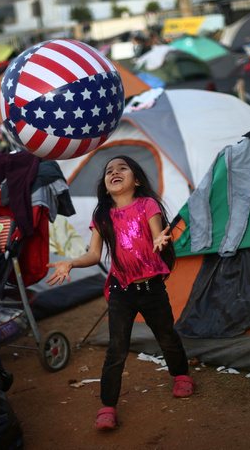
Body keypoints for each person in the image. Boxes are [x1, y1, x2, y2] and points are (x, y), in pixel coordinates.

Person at [46, 155, 195, 431]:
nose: (114, 172)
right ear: (105, 185)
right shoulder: (102, 215)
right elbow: (93, 254)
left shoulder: (146, 204)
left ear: (136, 180)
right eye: (109, 171)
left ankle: (181, 375)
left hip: (152, 289)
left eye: (122, 168)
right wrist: (71, 262)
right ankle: (108, 406)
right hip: (121, 289)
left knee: (166, 336)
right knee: (116, 348)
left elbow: (155, 237)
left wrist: (161, 240)